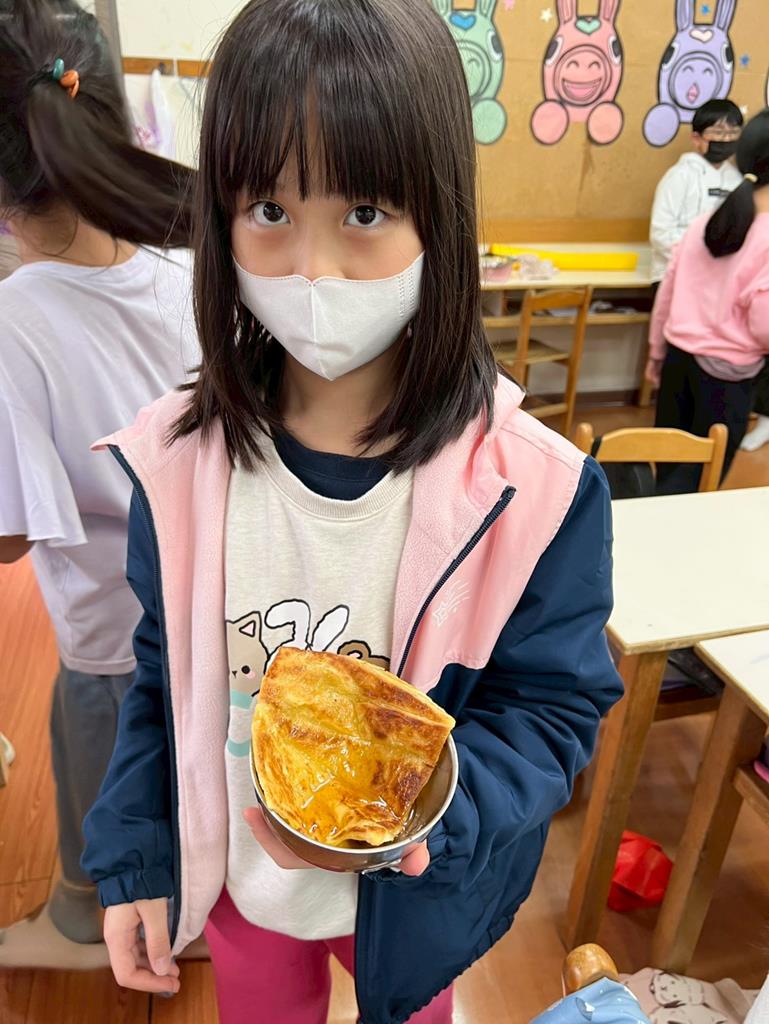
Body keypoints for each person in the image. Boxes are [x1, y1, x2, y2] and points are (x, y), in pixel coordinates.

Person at [81, 2, 622, 1022]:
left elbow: (550, 708)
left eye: (364, 212)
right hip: (241, 882)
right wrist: (136, 852)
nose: (314, 269)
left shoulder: (534, 491)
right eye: (269, 210)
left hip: (418, 898)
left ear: (439, 218)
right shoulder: (179, 465)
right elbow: (163, 677)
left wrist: (424, 823)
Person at [0, 0, 197, 963]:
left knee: (108, 822)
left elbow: (10, 535)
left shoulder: (18, 317)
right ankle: (187, 914)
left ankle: (99, 922)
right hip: (201, 621)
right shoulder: (185, 270)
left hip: (109, 643)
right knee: (184, 791)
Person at [646, 109, 769, 495]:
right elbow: (763, 324)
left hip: (677, 362)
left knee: (669, 467)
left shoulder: (707, 223)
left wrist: (656, 353)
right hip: (726, 378)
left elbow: (667, 292)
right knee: (700, 481)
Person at [650, 99, 744, 288]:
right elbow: (660, 233)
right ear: (696, 138)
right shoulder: (679, 176)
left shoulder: (737, 180)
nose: (726, 139)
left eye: (733, 133)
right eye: (718, 132)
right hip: (675, 274)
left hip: (719, 276)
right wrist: (700, 257)